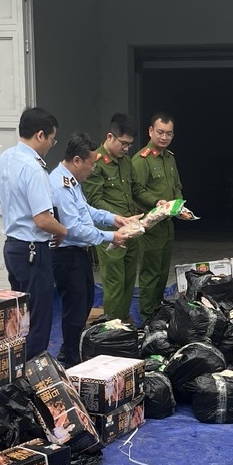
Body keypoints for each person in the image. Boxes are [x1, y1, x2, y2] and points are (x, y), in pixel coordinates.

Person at [0, 107, 69, 359]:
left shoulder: (6, 157)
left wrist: (16, 206)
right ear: (40, 135)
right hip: (33, 251)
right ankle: (33, 371)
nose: (50, 146)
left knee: (19, 316)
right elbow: (43, 220)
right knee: (38, 319)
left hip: (13, 248)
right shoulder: (34, 168)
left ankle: (16, 367)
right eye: (52, 140)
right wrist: (62, 230)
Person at [50, 133, 137, 365]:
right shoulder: (60, 186)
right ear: (77, 160)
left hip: (78, 253)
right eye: (91, 164)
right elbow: (74, 228)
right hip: (66, 254)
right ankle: (71, 357)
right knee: (75, 308)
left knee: (86, 301)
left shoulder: (71, 182)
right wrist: (111, 236)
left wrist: (114, 218)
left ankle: (70, 348)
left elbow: (87, 210)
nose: (93, 169)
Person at [130, 112, 194, 321]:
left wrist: (180, 206)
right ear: (150, 131)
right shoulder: (141, 160)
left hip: (167, 224)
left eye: (169, 133)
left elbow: (176, 186)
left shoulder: (169, 158)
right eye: (160, 132)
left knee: (163, 271)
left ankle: (158, 309)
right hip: (151, 225)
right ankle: (148, 315)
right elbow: (136, 190)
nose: (164, 137)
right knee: (150, 272)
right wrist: (156, 201)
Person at [83, 113, 140, 322]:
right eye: (123, 144)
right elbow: (95, 200)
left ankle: (123, 319)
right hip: (110, 231)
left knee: (128, 280)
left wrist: (158, 204)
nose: (126, 149)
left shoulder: (126, 162)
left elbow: (136, 190)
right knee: (114, 282)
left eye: (129, 145)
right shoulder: (96, 162)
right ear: (110, 137)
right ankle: (113, 326)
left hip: (131, 229)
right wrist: (120, 218)